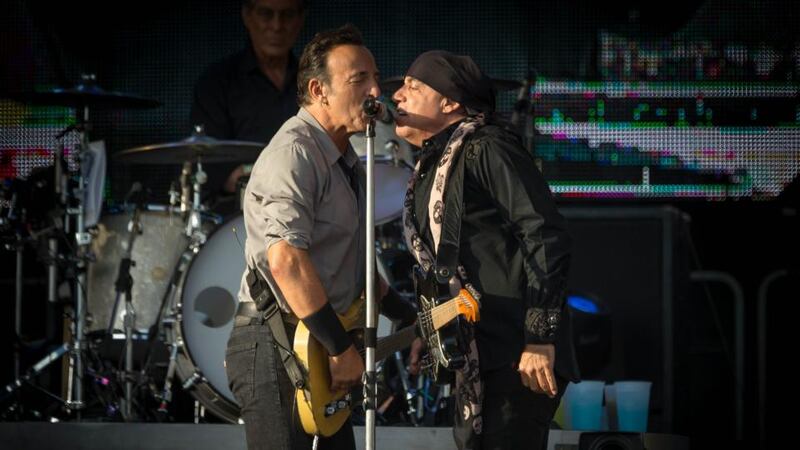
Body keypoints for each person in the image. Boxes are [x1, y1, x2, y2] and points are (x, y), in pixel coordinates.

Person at [394, 50, 580, 450]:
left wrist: (539, 338)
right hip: (478, 352)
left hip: (517, 352)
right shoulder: (435, 162)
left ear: (450, 102)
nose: (397, 95)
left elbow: (544, 232)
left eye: (413, 86)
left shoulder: (487, 147)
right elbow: (449, 265)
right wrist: (433, 324)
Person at [226, 24, 382, 450]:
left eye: (375, 78)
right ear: (319, 89)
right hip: (278, 343)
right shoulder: (295, 152)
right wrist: (339, 349)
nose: (375, 91)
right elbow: (286, 261)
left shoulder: (346, 161)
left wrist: (412, 319)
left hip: (314, 345)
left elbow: (355, 268)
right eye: (359, 80)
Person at [190, 0, 306, 195]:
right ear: (247, 15)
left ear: (301, 18)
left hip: (310, 208)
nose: (277, 26)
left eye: (287, 15)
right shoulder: (217, 81)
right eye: (266, 14)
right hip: (239, 213)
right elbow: (210, 166)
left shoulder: (314, 80)